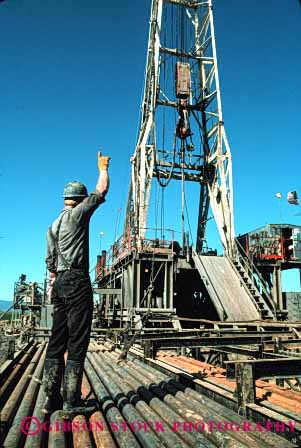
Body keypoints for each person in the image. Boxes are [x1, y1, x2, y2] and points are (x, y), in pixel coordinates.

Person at [42, 151, 110, 414]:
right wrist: (103, 167)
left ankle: (50, 400)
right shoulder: (78, 214)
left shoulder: (53, 225)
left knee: (57, 340)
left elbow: (49, 264)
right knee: (77, 341)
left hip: (58, 283)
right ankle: (71, 401)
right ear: (79, 199)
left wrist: (54, 283)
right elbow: (101, 190)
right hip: (77, 281)